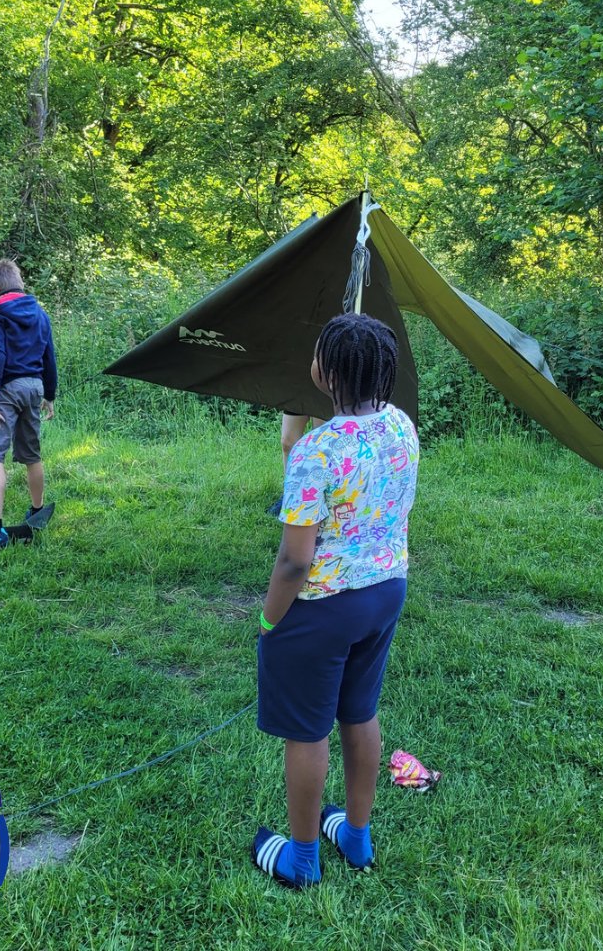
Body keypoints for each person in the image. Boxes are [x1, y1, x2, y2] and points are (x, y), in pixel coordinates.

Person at [252, 313, 420, 888]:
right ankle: (356, 833)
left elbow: (295, 561)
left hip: (323, 606)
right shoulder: (401, 425)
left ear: (326, 372)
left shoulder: (315, 452)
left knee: (307, 729)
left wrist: (270, 618)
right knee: (360, 711)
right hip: (386, 592)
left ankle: (301, 858)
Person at [0, 259, 57, 556]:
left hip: (6, 389)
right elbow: (49, 357)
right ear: (20, 283)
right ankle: (37, 510)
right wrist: (50, 394)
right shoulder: (40, 313)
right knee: (31, 453)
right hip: (34, 387)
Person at [265, 413, 326, 516]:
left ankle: (320, 497)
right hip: (300, 396)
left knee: (320, 442)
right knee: (287, 442)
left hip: (325, 397)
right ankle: (290, 495)